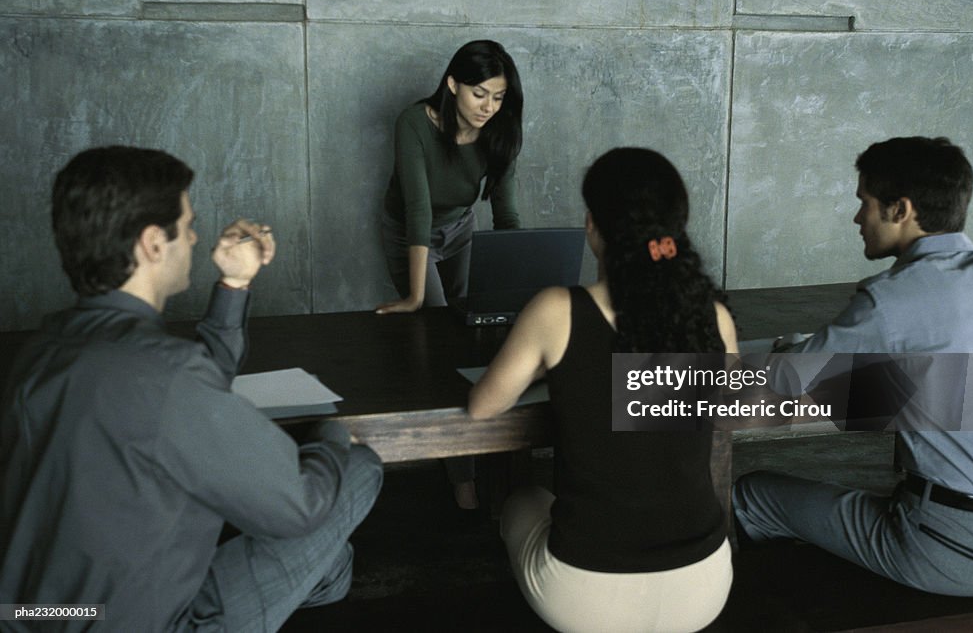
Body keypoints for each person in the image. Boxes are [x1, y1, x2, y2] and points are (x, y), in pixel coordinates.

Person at [0, 146, 383, 631]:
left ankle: (325, 577)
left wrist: (235, 284)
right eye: (188, 224)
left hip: (40, 616)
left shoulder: (46, 348)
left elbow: (177, 391)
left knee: (330, 568)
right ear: (153, 244)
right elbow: (298, 506)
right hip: (144, 623)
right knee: (358, 469)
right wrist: (330, 437)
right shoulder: (165, 374)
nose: (196, 237)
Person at [733, 137, 973, 595]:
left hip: (950, 550)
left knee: (752, 494)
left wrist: (785, 351)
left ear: (900, 209)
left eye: (864, 203)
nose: (857, 218)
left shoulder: (893, 298)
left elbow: (786, 380)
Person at [469, 147, 735, 632]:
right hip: (704, 586)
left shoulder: (557, 310)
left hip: (589, 598)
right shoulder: (714, 318)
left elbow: (484, 406)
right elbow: (721, 406)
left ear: (592, 225)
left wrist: (557, 366)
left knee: (521, 500)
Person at [376, 39, 523, 509]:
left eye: (498, 97)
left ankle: (488, 458)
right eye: (480, 93)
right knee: (438, 342)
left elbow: (507, 214)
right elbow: (417, 210)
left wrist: (517, 286)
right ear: (453, 83)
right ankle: (461, 476)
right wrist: (415, 298)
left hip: (461, 229)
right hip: (407, 234)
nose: (489, 107)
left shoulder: (500, 131)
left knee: (475, 339)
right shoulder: (414, 123)